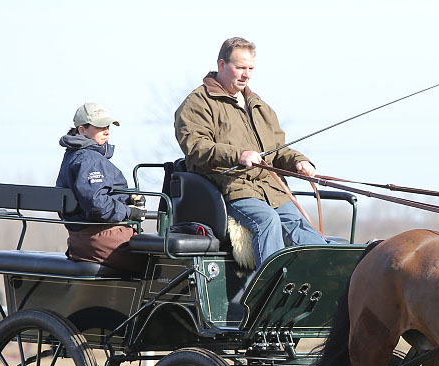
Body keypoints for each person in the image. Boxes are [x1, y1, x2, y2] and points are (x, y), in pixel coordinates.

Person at [174, 37, 330, 268]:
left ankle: (327, 273)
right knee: (266, 220)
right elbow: (196, 147)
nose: (246, 74)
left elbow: (278, 150)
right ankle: (269, 293)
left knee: (299, 224)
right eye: (240, 68)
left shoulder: (259, 106)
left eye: (250, 69)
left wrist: (299, 162)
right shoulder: (198, 103)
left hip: (272, 189)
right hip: (231, 186)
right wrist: (238, 155)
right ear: (222, 65)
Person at [55, 102, 146, 272]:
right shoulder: (89, 158)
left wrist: (128, 197)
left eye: (108, 126)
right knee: (158, 259)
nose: (107, 131)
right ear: (82, 130)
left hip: (81, 240)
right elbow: (97, 204)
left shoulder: (74, 155)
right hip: (100, 239)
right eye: (100, 127)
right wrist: (129, 212)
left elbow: (91, 195)